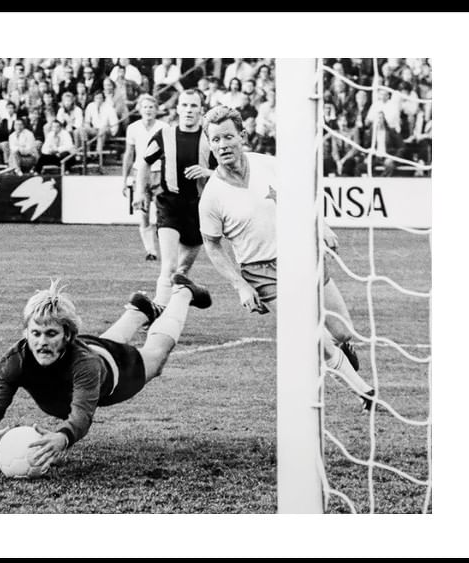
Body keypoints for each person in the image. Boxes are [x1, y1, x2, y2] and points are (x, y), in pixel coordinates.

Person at [197, 105, 373, 411]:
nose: (222, 144)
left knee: (342, 331)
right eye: (215, 139)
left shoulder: (269, 165)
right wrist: (241, 285)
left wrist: (322, 226)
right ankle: (365, 392)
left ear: (243, 136)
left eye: (228, 136)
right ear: (209, 144)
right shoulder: (211, 197)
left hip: (301, 255)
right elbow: (212, 246)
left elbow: (304, 197)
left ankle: (343, 349)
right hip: (261, 272)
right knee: (312, 335)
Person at [0, 275, 212, 469]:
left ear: (67, 335)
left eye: (51, 334)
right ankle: (139, 310)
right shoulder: (13, 361)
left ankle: (182, 292)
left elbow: (82, 415)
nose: (42, 342)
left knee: (156, 356)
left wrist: (63, 437)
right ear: (26, 334)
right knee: (97, 345)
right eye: (36, 334)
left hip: (115, 371)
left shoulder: (86, 365)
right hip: (88, 351)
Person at [133, 88, 215, 308]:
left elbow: (228, 172)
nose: (188, 110)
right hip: (170, 203)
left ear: (201, 110)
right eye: (184, 105)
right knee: (168, 266)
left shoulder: (210, 138)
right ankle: (158, 308)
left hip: (199, 208)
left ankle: (173, 310)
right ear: (177, 108)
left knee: (182, 271)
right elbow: (145, 162)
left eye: (193, 105)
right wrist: (140, 191)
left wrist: (207, 172)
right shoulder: (164, 135)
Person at [121, 94, 168, 262]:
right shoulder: (133, 128)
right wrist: (124, 179)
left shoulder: (164, 127)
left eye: (151, 107)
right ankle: (151, 251)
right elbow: (129, 154)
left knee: (164, 214)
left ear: (156, 110)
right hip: (139, 174)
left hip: (159, 173)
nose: (148, 110)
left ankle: (166, 250)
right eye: (145, 107)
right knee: (143, 214)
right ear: (140, 110)